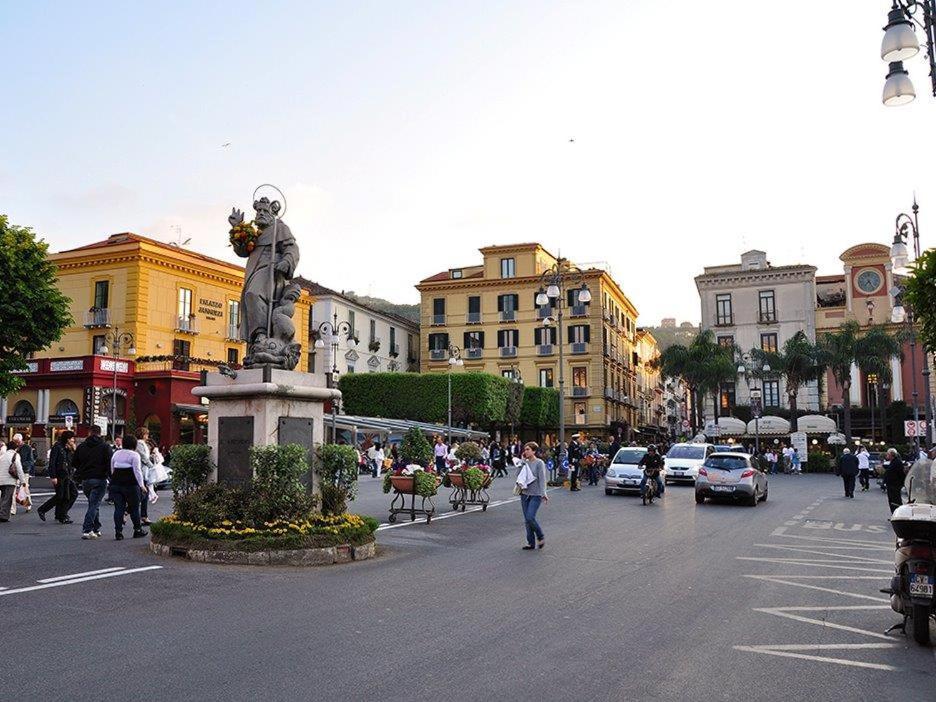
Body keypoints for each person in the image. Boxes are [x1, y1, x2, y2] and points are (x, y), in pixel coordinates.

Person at [73, 424, 113, 539]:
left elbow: (74, 462)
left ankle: (96, 527)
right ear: (100, 433)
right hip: (100, 478)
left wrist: (83, 468)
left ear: (89, 433)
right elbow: (110, 464)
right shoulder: (105, 447)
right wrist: (110, 477)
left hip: (85, 480)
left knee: (93, 503)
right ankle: (87, 529)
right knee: (94, 504)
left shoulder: (81, 446)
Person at [109, 434, 147, 540]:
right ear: (134, 444)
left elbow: (112, 469)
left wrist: (115, 478)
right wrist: (142, 485)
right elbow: (137, 471)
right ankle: (137, 530)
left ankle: (118, 532)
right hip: (131, 484)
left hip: (116, 483)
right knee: (134, 508)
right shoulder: (134, 455)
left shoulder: (116, 454)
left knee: (118, 508)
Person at [37, 431, 77, 524]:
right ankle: (45, 510)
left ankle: (61, 514)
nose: (73, 440)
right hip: (60, 475)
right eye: (72, 438)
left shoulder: (67, 448)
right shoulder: (57, 447)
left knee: (71, 494)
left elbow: (72, 461)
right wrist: (53, 476)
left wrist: (73, 450)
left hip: (67, 475)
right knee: (61, 496)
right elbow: (52, 462)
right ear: (67, 439)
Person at [516, 442, 548, 550]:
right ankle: (530, 543)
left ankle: (540, 536)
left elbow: (542, 479)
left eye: (528, 449)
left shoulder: (539, 463)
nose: (526, 451)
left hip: (536, 494)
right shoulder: (524, 462)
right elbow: (518, 476)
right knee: (527, 519)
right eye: (525, 450)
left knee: (530, 517)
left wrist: (543, 493)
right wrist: (521, 463)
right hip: (525, 494)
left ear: (534, 451)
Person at [0, 441, 27, 522]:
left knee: (3, 497)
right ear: (16, 448)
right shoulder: (15, 455)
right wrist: (23, 481)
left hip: (1, 480)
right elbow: (19, 468)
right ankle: (3, 516)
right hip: (10, 480)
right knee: (7, 498)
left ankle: (2, 513)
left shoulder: (2, 455)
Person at [135, 428, 155, 525]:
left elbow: (146, 456)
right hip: (141, 472)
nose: (147, 436)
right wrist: (152, 466)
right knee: (142, 494)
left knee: (145, 495)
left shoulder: (144, 444)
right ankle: (127, 512)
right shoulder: (139, 444)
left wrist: (152, 457)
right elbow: (143, 457)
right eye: (146, 434)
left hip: (145, 472)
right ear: (142, 434)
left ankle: (144, 516)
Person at [883, 448, 907, 513]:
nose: (886, 455)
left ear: (891, 455)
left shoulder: (897, 462)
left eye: (887, 454)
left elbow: (901, 474)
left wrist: (901, 483)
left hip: (895, 485)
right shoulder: (892, 462)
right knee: (891, 500)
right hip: (891, 484)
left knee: (896, 500)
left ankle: (899, 513)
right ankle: (893, 513)